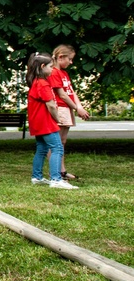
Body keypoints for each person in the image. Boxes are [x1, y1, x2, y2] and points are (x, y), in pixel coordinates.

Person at [27, 52, 76, 189]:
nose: (52, 69)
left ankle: (36, 177)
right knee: (57, 148)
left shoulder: (35, 82)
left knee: (42, 149)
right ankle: (56, 179)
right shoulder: (43, 84)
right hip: (46, 122)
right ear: (43, 66)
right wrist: (57, 118)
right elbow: (51, 105)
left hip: (37, 122)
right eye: (50, 67)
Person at [48, 44, 90, 181]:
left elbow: (71, 92)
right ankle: (55, 172)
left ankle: (62, 170)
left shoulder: (64, 73)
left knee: (62, 141)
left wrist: (79, 106)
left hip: (67, 109)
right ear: (61, 57)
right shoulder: (54, 73)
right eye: (70, 59)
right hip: (60, 109)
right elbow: (62, 95)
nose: (71, 62)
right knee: (56, 142)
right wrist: (77, 108)